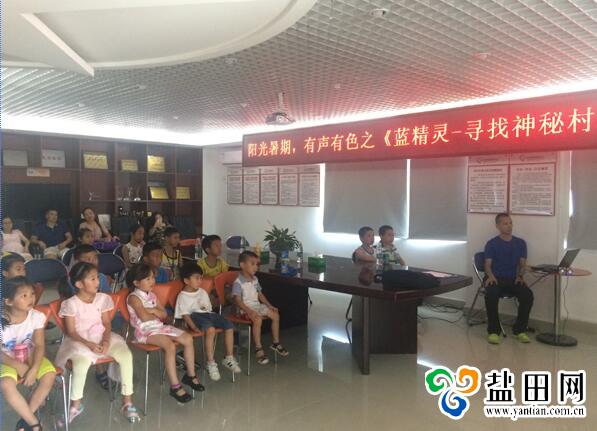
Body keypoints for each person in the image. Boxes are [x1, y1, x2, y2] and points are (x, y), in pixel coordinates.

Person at [54, 262, 141, 423]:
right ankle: (76, 405)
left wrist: (106, 341)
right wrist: (89, 344)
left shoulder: (103, 298)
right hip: (80, 341)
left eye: (97, 278)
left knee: (126, 355)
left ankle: (127, 402)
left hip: (102, 336)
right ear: (79, 284)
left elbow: (106, 323)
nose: (98, 282)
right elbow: (71, 332)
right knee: (81, 364)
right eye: (92, 279)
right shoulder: (70, 304)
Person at [125, 263, 204, 403]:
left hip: (159, 327)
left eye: (152, 278)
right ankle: (175, 386)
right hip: (145, 331)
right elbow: (144, 318)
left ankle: (190, 376)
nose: (152, 281)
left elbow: (164, 314)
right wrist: (155, 312)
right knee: (170, 346)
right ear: (136, 283)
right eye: (148, 279)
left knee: (188, 338)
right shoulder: (133, 297)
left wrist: (152, 311)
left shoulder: (152, 295)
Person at [1, 277, 57, 431]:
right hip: (6, 358)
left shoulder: (36, 316)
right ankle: (34, 423)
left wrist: (34, 368)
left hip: (30, 355)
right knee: (6, 384)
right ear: (8, 301)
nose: (31, 298)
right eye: (24, 295)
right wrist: (18, 366)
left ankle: (26, 418)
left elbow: (39, 345)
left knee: (49, 375)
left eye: (32, 294)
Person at [175, 263, 241, 381]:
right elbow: (185, 314)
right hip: (194, 316)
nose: (200, 281)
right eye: (196, 278)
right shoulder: (182, 296)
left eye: (201, 278)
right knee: (210, 330)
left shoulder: (202, 292)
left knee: (229, 326)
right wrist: (193, 327)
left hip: (208, 315)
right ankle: (211, 362)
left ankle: (229, 357)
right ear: (186, 281)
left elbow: (208, 309)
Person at [483, 213, 534, 345]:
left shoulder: (520, 243)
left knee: (527, 295)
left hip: (512, 279)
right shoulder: (492, 243)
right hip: (495, 278)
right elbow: (487, 265)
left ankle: (520, 330)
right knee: (491, 294)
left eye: (510, 223)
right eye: (505, 223)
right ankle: (494, 331)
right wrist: (490, 276)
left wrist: (521, 275)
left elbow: (522, 265)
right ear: (497, 226)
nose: (509, 226)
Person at [232, 251, 289, 365]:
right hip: (244, 309)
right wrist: (249, 311)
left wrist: (269, 306)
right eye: (252, 264)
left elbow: (260, 295)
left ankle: (276, 343)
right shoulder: (238, 282)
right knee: (257, 319)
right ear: (242, 265)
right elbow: (237, 300)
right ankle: (258, 348)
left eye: (257, 264)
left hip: (257, 306)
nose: (256, 267)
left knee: (275, 315)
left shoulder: (255, 279)